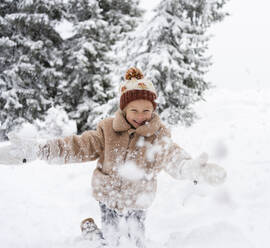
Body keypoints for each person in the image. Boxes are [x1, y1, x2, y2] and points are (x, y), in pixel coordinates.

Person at [5, 67, 227, 247]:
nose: (141, 116)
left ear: (154, 110)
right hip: (109, 196)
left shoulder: (157, 136)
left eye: (146, 110)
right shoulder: (107, 131)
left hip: (139, 200)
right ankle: (93, 235)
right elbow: (76, 146)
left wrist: (190, 168)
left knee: (137, 243)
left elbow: (172, 155)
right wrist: (40, 149)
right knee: (112, 242)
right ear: (123, 110)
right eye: (134, 110)